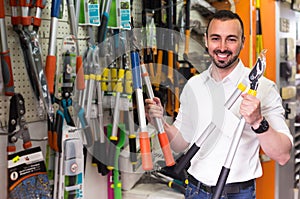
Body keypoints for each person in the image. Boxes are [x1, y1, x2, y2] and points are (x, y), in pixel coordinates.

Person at [145, 10, 293, 199]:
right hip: (194, 191)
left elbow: (282, 155)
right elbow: (181, 144)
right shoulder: (194, 85)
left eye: (231, 39)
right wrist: (160, 123)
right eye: (216, 38)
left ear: (242, 42)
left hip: (238, 194)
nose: (222, 47)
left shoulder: (264, 88)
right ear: (206, 40)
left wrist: (258, 122)